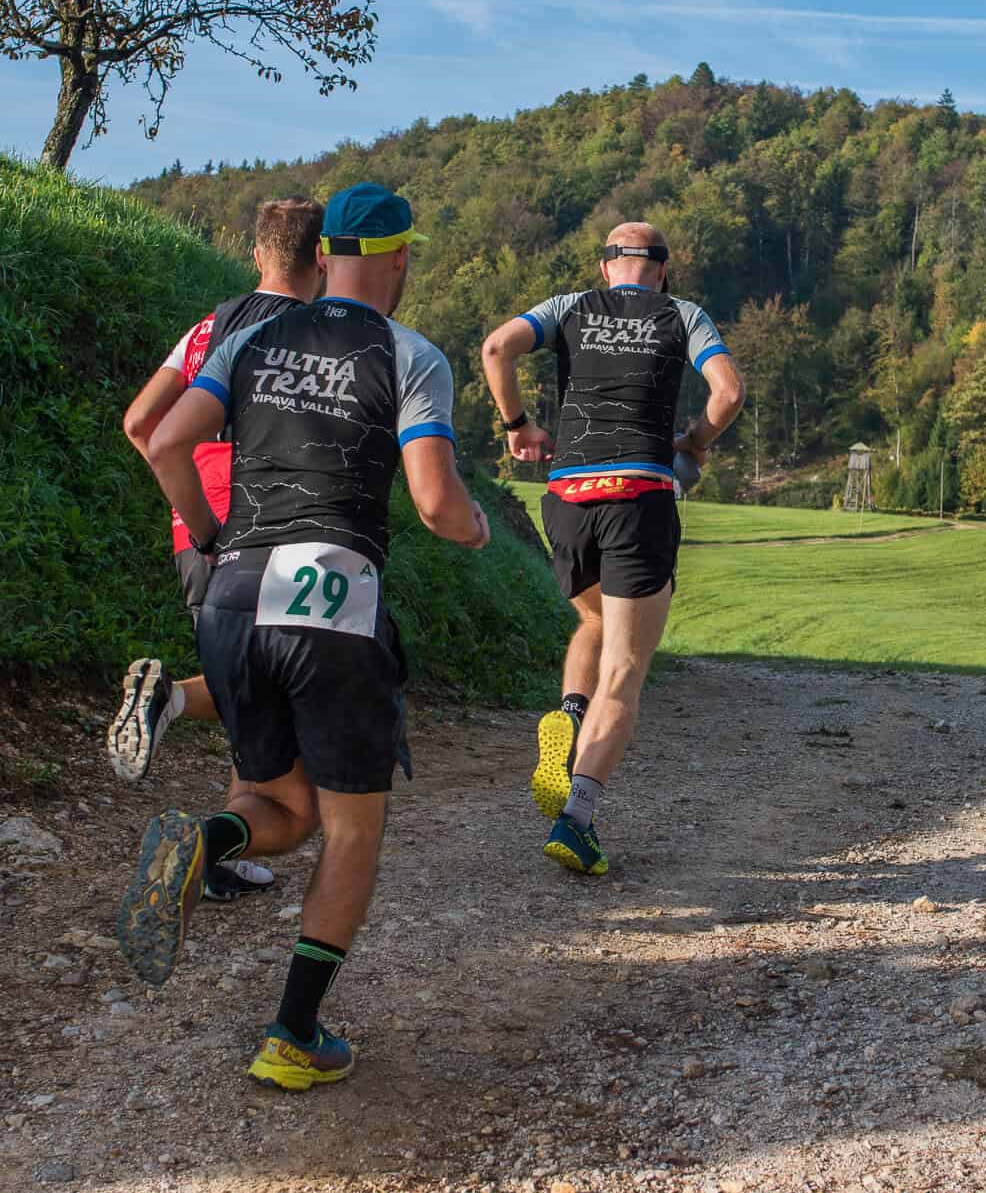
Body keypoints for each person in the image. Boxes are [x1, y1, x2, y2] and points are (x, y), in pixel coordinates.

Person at [117, 183, 491, 1090]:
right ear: (401, 259)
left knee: (284, 810)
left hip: (231, 599)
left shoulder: (249, 338)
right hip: (331, 600)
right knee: (351, 831)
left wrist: (209, 536)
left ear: (323, 256)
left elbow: (161, 441)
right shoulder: (410, 354)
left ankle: (204, 839)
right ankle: (292, 1032)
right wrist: (476, 526)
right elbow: (436, 502)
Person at [479, 222, 745, 876]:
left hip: (568, 498)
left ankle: (570, 715)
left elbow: (496, 347)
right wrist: (696, 441)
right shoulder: (682, 314)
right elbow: (729, 392)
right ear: (662, 269)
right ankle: (576, 819)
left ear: (605, 267)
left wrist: (518, 424)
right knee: (625, 669)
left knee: (596, 621)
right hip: (637, 498)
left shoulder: (569, 307)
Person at [106, 197, 324, 900]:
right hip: (275, 517)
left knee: (243, 678)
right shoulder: (319, 332)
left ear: (256, 254)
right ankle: (172, 701)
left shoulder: (207, 327)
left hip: (196, 514)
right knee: (268, 684)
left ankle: (224, 846)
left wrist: (196, 518)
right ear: (321, 260)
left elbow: (141, 424)